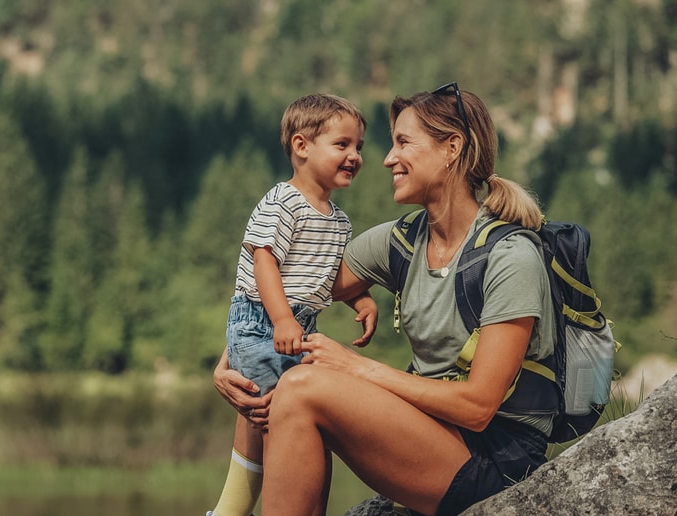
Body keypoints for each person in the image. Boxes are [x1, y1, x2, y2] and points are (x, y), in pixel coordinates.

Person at [213, 82, 560, 515]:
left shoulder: (511, 257)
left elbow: (477, 407)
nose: (387, 158)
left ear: (451, 148)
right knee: (277, 383)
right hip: (433, 433)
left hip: (497, 457)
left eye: (403, 142)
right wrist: (238, 355)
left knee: (300, 385)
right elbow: (296, 286)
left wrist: (356, 366)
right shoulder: (404, 240)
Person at [208, 93, 379, 516]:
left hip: (300, 328)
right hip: (262, 324)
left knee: (305, 425)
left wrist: (360, 298)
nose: (355, 156)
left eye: (358, 146)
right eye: (342, 144)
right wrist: (282, 319)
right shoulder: (282, 201)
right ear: (301, 146)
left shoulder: (339, 221)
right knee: (279, 424)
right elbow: (263, 260)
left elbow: (326, 276)